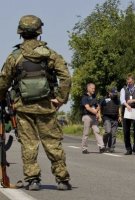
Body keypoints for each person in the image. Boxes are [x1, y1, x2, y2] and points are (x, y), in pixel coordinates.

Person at [0, 15, 71, 190]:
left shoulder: (14, 56)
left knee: (29, 144)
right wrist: (61, 99)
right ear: (39, 32)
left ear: (20, 33)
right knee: (53, 143)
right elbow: (66, 78)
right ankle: (62, 179)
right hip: (46, 107)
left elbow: (3, 82)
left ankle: (32, 180)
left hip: (23, 107)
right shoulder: (50, 55)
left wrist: (2, 99)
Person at [120, 74, 135, 155]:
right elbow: (122, 100)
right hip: (126, 111)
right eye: (128, 82)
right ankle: (128, 148)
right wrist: (127, 105)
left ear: (133, 81)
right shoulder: (123, 89)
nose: (129, 83)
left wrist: (133, 100)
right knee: (126, 130)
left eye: (130, 82)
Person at [81, 83, 105, 154]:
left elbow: (97, 106)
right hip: (87, 116)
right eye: (92, 88)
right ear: (88, 88)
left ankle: (101, 147)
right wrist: (94, 111)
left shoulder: (94, 97)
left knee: (97, 131)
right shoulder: (85, 97)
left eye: (94, 88)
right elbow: (87, 107)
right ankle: (84, 148)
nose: (94, 90)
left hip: (94, 117)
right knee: (86, 133)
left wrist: (98, 114)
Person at [99, 88, 122, 153]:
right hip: (106, 117)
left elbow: (119, 107)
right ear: (110, 93)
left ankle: (111, 147)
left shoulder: (117, 100)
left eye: (115, 94)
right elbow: (99, 107)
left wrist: (120, 116)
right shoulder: (104, 99)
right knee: (108, 132)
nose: (114, 95)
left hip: (115, 118)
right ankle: (103, 145)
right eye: (113, 94)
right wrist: (100, 116)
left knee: (113, 134)